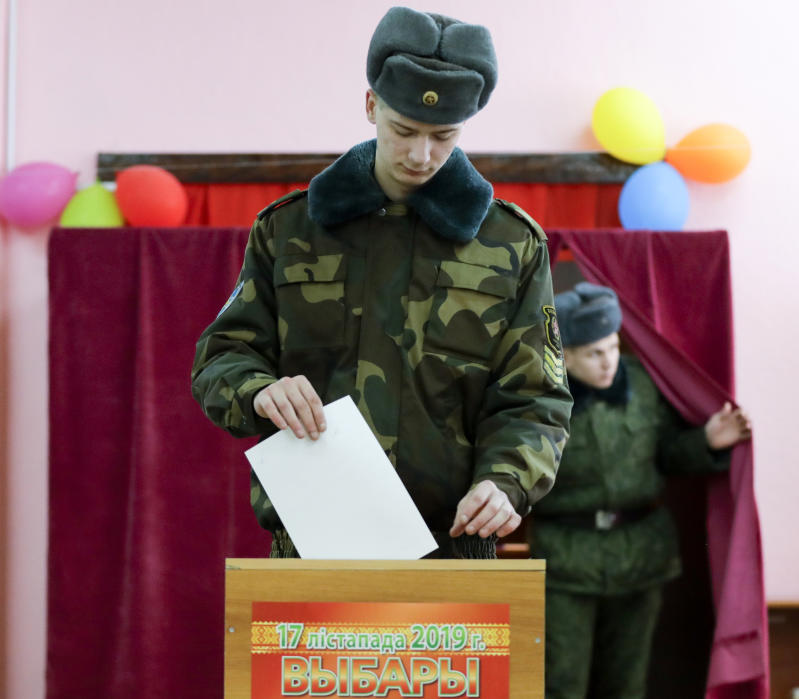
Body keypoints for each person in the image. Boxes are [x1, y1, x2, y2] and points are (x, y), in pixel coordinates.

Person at [190, 7, 572, 559]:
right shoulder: (291, 228)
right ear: (371, 105)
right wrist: (259, 391)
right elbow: (219, 360)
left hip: (453, 546)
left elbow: (536, 398)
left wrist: (507, 481)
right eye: (404, 130)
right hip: (313, 542)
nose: (421, 156)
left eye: (444, 136)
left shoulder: (511, 244)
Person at [528, 282, 752, 698]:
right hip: (566, 559)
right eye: (594, 353)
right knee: (561, 682)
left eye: (613, 347)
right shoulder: (539, 397)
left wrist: (706, 442)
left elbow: (667, 455)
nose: (608, 361)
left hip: (640, 554)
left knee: (627, 682)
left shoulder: (645, 387)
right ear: (568, 354)